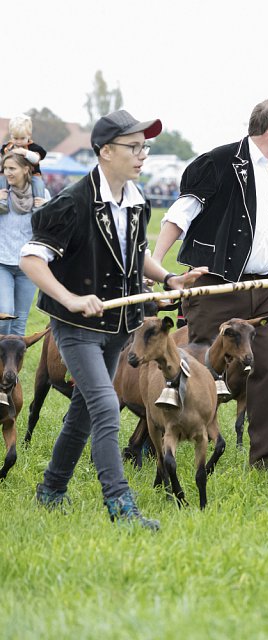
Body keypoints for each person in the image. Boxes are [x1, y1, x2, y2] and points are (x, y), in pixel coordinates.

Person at [21, 110, 204, 529]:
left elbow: (134, 255)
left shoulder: (136, 201)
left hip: (115, 327)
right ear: (106, 151)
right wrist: (70, 298)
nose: (142, 155)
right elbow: (31, 258)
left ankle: (51, 489)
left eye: (146, 147)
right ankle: (121, 505)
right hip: (75, 327)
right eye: (134, 147)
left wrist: (169, 277)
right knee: (106, 405)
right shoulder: (73, 201)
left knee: (85, 410)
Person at [152, 98, 268, 468]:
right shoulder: (219, 163)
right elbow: (180, 214)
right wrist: (156, 267)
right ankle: (162, 438)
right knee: (194, 367)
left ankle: (266, 459)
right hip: (217, 288)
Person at [0, 153, 51, 335]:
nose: (7, 172)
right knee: (5, 316)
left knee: (20, 322)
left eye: (12, 168)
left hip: (29, 265)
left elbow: (52, 228)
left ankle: (11, 364)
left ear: (26, 169)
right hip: (2, 263)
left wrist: (47, 208)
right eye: (5, 168)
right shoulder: (2, 194)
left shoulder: (42, 194)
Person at [0, 115, 47, 198]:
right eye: (15, 138)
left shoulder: (33, 147)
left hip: (31, 174)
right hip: (9, 174)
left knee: (38, 183)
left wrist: (25, 152)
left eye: (22, 138)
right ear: (11, 135)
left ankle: (39, 202)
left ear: (29, 135)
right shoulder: (7, 147)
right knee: (2, 176)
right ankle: (4, 197)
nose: (18, 142)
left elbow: (36, 159)